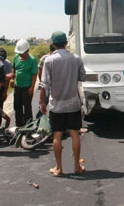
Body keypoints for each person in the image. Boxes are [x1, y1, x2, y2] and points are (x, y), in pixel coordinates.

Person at [39, 31, 86, 176]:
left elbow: (44, 84)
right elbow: (83, 77)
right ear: (66, 43)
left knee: (57, 136)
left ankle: (59, 168)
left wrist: (42, 102)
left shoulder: (49, 60)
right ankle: (77, 166)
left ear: (53, 44)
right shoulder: (76, 59)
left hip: (56, 105)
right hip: (73, 103)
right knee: (75, 134)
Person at [10, 39, 38, 126]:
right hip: (18, 86)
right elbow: (14, 68)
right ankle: (18, 123)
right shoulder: (16, 57)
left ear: (27, 51)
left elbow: (34, 74)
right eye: (19, 53)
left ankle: (28, 124)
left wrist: (32, 87)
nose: (21, 55)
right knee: (17, 106)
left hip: (27, 87)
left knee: (27, 106)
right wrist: (12, 78)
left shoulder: (32, 60)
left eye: (22, 53)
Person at [35, 44, 55, 119]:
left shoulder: (44, 58)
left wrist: (42, 82)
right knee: (51, 105)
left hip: (46, 86)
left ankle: (39, 121)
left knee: (43, 104)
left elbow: (39, 71)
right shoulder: (57, 58)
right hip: (54, 86)